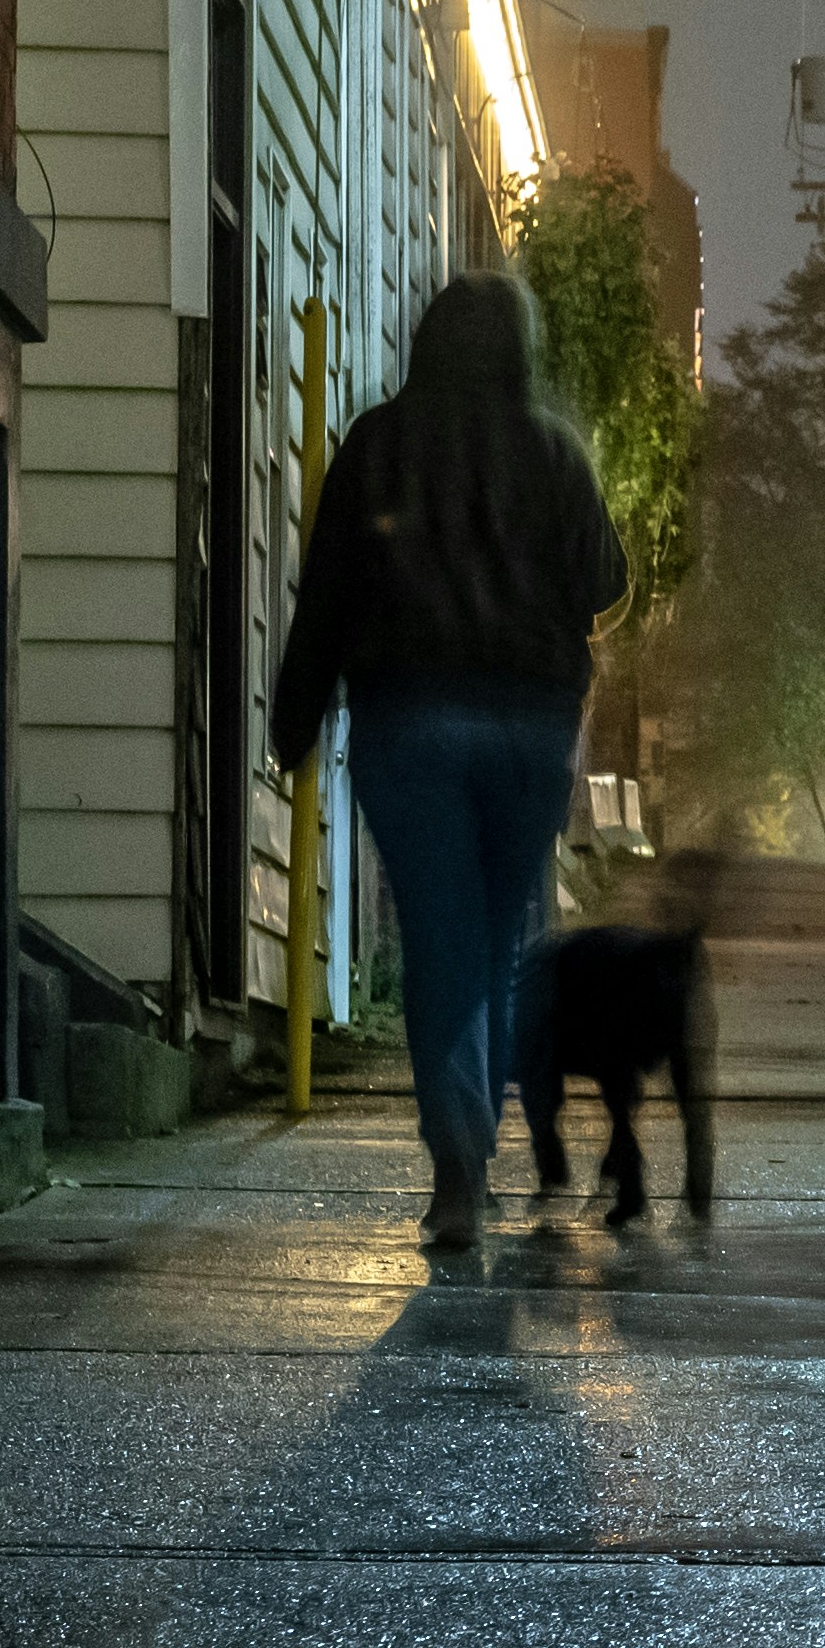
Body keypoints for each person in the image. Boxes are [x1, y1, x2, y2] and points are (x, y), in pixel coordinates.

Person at [267, 271, 628, 1257]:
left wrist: (293, 716)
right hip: (528, 722)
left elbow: (329, 590)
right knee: (501, 940)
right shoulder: (552, 451)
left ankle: (457, 1163)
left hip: (410, 717)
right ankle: (479, 1140)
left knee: (442, 937)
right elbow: (606, 576)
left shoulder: (378, 444)